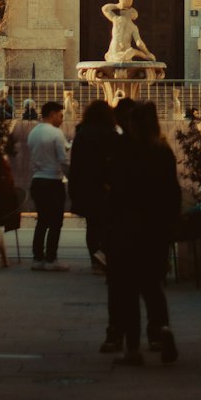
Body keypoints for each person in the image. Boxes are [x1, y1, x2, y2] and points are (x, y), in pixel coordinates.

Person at [105, 101, 181, 365]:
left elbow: (115, 190)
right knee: (152, 285)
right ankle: (162, 331)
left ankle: (133, 348)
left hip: (129, 228)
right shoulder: (163, 151)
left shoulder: (126, 151)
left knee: (127, 290)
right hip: (156, 229)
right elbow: (173, 192)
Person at [68, 99, 115, 273]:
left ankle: (94, 260)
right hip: (105, 187)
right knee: (107, 223)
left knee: (92, 225)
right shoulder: (111, 134)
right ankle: (104, 255)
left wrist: (73, 188)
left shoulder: (81, 134)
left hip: (86, 186)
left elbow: (76, 164)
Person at [27, 100, 70, 271]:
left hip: (37, 180)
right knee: (56, 221)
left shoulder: (33, 133)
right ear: (52, 114)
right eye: (60, 116)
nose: (62, 119)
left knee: (42, 221)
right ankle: (52, 258)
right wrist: (71, 178)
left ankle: (38, 258)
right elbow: (63, 160)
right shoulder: (55, 133)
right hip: (53, 181)